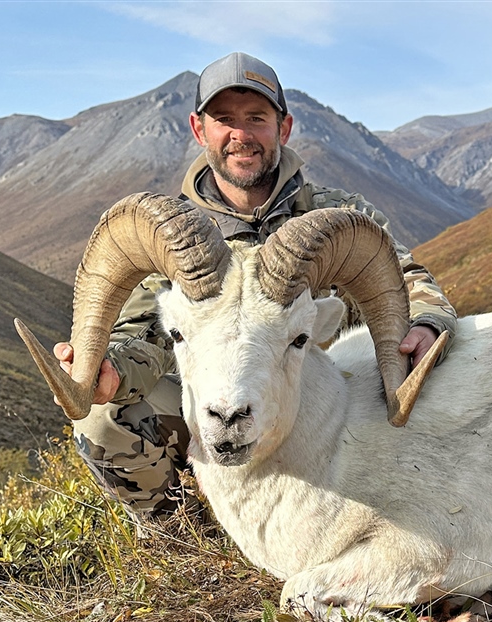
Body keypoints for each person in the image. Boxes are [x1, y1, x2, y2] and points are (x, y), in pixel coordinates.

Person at [55, 52, 458, 517]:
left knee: (426, 379)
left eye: (257, 118)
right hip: (212, 399)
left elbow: (405, 285)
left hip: (319, 409)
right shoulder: (171, 238)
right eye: (224, 119)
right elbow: (143, 331)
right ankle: (185, 531)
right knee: (103, 418)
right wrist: (111, 370)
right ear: (198, 128)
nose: (240, 135)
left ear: (282, 129)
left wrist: (426, 325)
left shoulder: (336, 216)